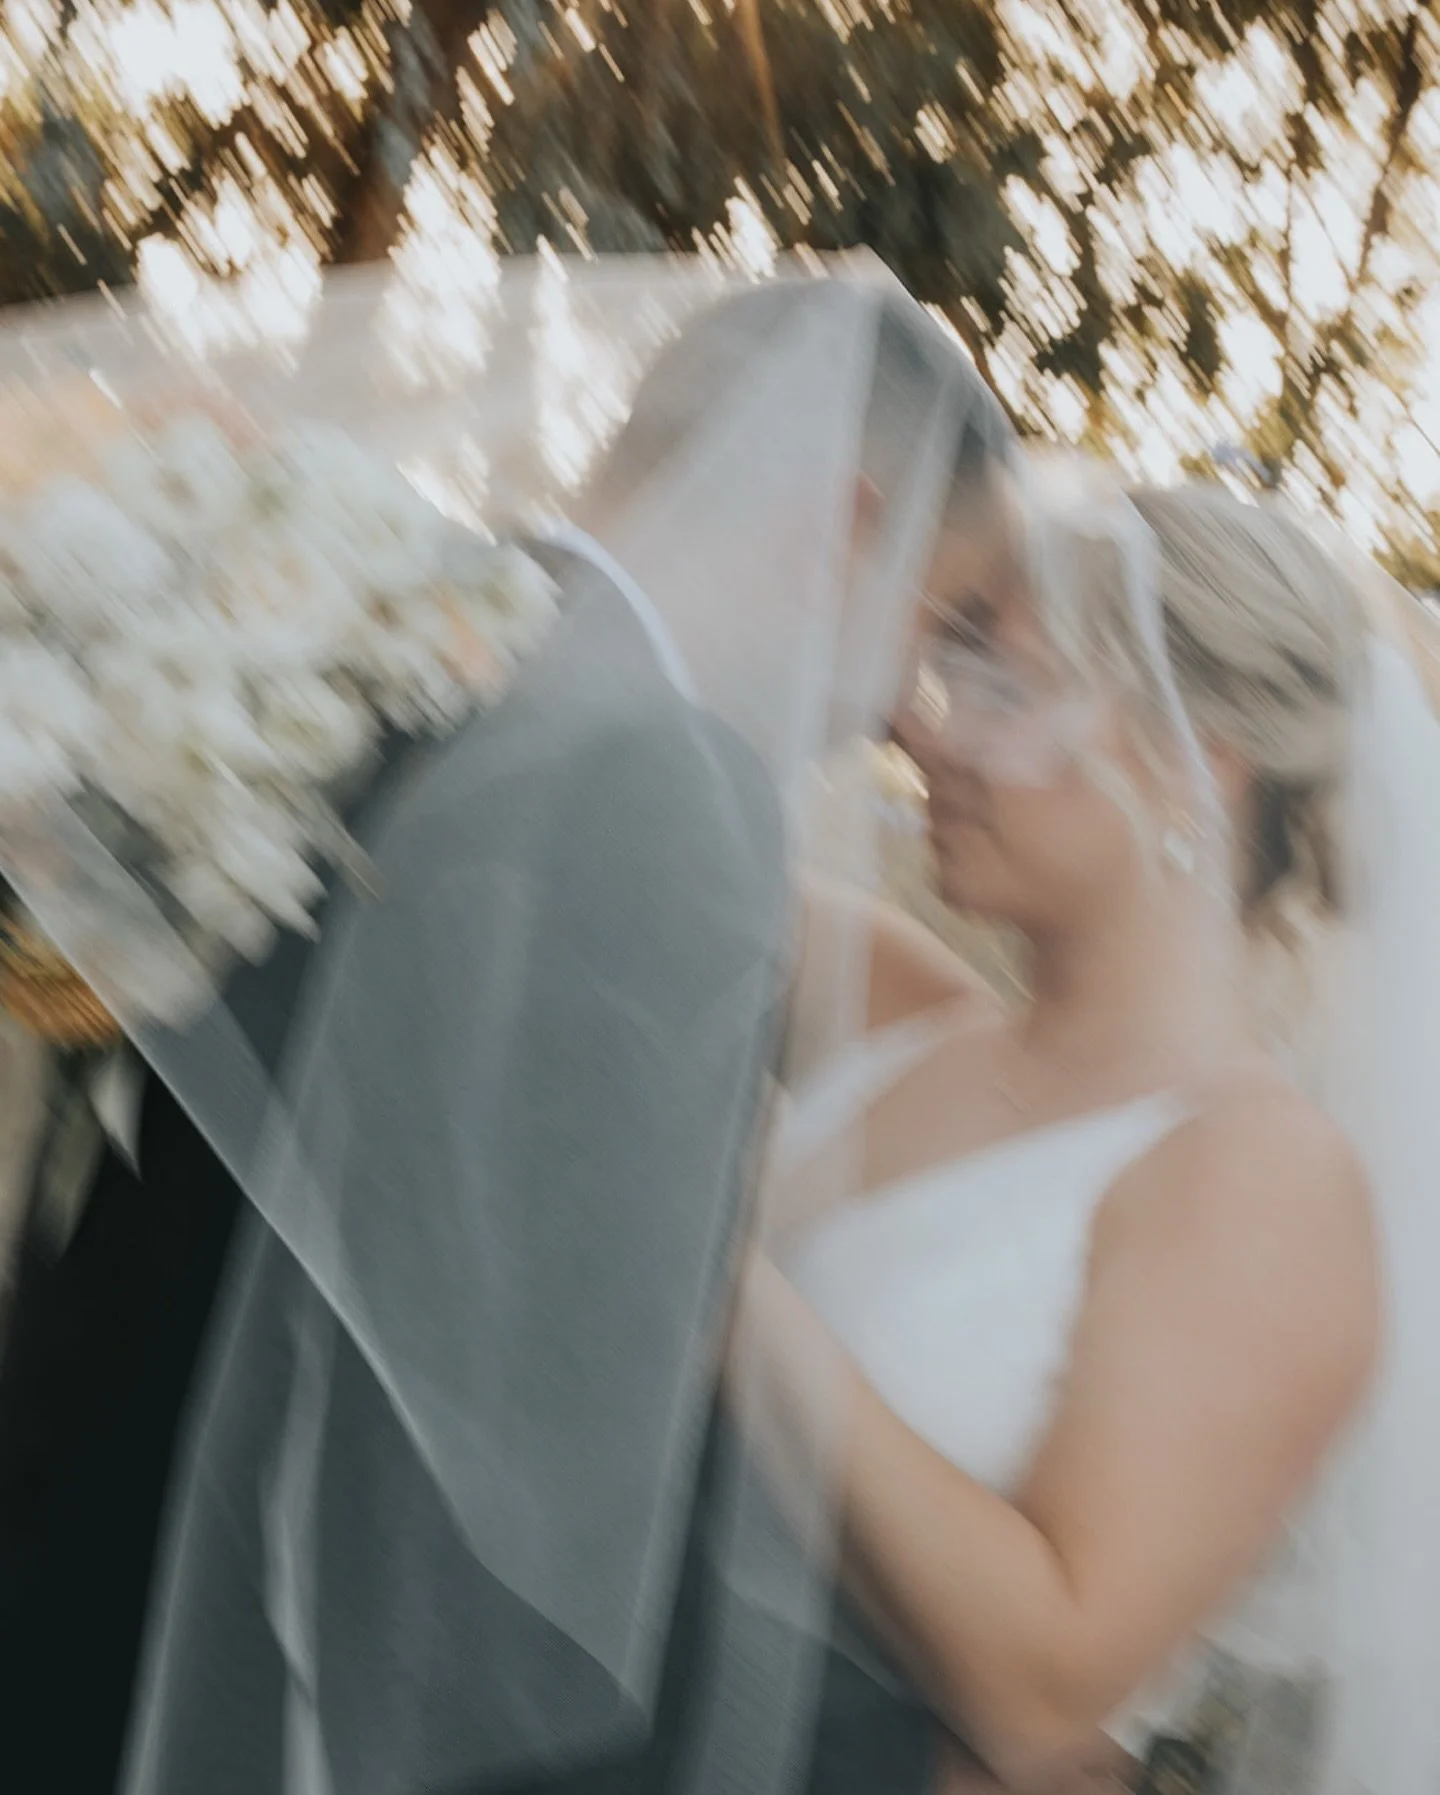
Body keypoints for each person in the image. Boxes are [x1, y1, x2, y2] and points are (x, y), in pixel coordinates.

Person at [0, 264, 1009, 1795]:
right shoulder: (665, 784)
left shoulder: (341, 627)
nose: (903, 712)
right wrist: (882, 1742)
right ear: (847, 522)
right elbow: (556, 1460)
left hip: (75, 1566)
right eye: (932, 624)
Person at [731, 470, 1440, 1791]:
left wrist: (723, 1291)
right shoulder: (896, 1008)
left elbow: (1046, 1688)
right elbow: (612, 816)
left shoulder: (1262, 1177)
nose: (924, 732)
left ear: (1190, 765)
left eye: (1001, 689)